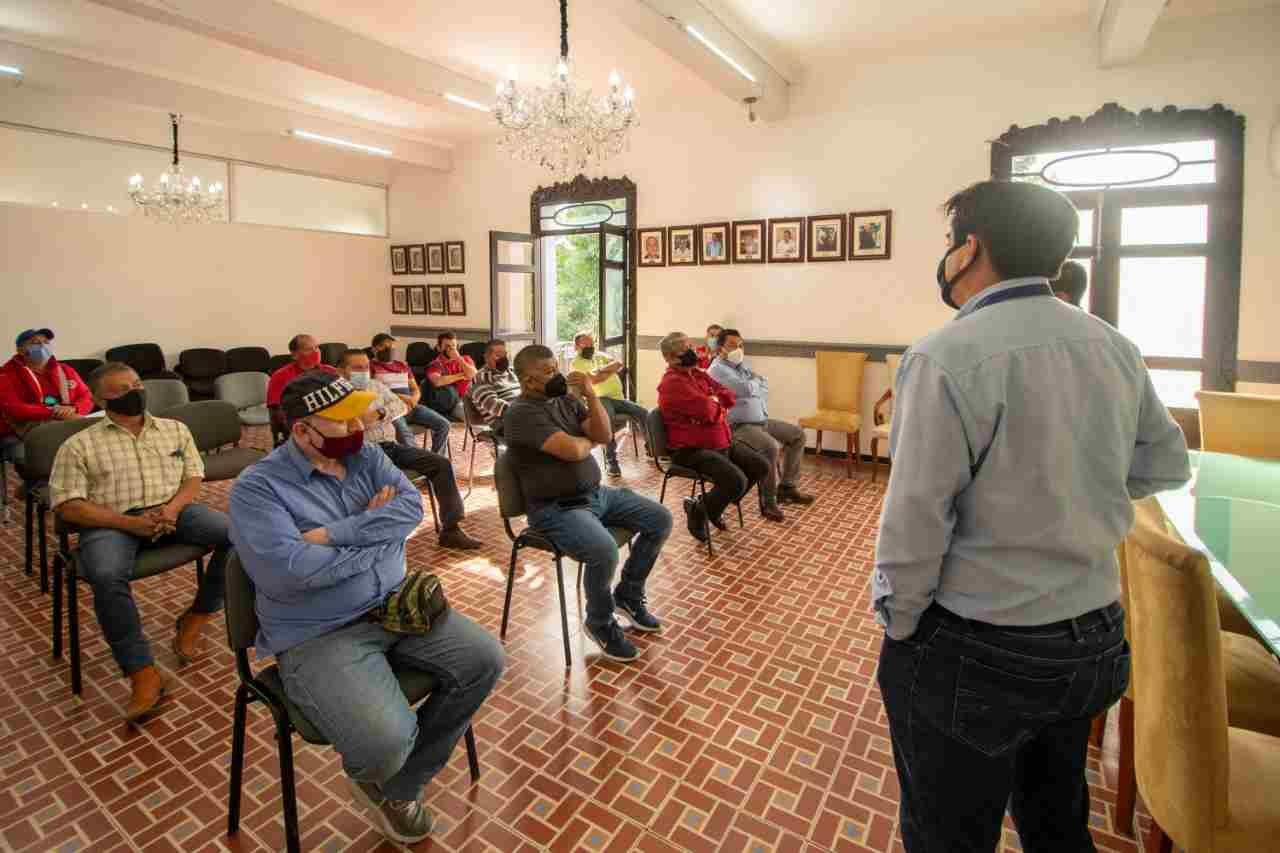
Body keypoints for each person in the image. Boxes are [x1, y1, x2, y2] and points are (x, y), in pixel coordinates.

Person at [874, 180, 1191, 852]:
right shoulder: (1113, 345)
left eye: (951, 242)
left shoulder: (945, 355)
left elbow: (914, 522)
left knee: (948, 833)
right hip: (1094, 638)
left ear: (972, 247)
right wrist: (1081, 490)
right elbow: (1166, 465)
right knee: (1057, 819)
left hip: (979, 645)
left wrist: (900, 625)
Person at [229, 372, 503, 844]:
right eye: (341, 420)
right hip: (321, 631)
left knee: (485, 660)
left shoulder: (367, 455)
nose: (358, 425)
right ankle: (382, 771)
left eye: (358, 412)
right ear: (302, 431)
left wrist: (338, 534)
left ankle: (400, 788)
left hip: (398, 606)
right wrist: (379, 534)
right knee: (382, 745)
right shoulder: (258, 490)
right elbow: (290, 572)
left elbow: (410, 512)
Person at [48, 363, 231, 723]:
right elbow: (69, 504)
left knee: (239, 535)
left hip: (172, 510)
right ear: (101, 399)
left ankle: (197, 615)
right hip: (111, 521)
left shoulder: (174, 430)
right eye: (122, 389)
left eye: (137, 384)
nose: (136, 392)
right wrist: (128, 523)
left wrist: (173, 509)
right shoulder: (79, 444)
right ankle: (141, 672)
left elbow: (194, 476)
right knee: (105, 573)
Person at [503, 345, 672, 663]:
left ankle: (629, 596)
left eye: (557, 366)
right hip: (555, 509)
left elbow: (604, 434)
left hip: (596, 495)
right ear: (528, 380)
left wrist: (591, 395)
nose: (559, 374)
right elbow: (573, 451)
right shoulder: (521, 413)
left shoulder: (566, 398)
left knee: (659, 518)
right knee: (604, 549)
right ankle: (600, 622)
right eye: (549, 371)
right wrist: (587, 442)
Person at [339, 350, 480, 550]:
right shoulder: (336, 394)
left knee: (440, 463)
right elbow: (349, 426)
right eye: (357, 368)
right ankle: (379, 540)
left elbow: (401, 406)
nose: (364, 371)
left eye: (366, 367)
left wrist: (380, 413)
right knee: (392, 484)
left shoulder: (375, 386)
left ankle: (451, 529)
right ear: (342, 371)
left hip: (390, 447)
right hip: (361, 453)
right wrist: (360, 422)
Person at [656, 332, 770, 543]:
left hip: (720, 440)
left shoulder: (698, 374)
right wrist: (716, 403)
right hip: (691, 450)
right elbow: (709, 410)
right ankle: (699, 513)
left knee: (760, 466)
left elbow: (728, 395)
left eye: (690, 345)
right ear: (670, 358)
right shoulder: (672, 384)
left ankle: (709, 505)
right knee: (736, 481)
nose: (692, 350)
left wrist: (714, 401)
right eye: (685, 348)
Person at [708, 329, 815, 520]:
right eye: (733, 345)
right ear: (720, 348)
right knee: (770, 447)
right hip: (739, 426)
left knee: (797, 435)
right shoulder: (717, 369)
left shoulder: (741, 366)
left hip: (761, 421)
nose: (738, 349)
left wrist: (754, 384)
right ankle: (769, 502)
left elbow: (763, 386)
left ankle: (787, 487)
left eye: (741, 345)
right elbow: (745, 388)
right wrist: (753, 383)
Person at [0, 327, 94, 461]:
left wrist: (74, 408)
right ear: (20, 350)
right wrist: (56, 412)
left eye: (46, 342)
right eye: (35, 343)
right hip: (24, 429)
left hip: (69, 419)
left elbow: (87, 396)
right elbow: (15, 409)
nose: (43, 346)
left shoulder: (65, 370)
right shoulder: (6, 375)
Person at [571, 332, 648, 478]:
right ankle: (612, 462)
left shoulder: (600, 355)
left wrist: (600, 371)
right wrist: (608, 370)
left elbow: (618, 364)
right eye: (585, 344)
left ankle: (651, 449)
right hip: (601, 399)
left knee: (643, 413)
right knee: (608, 422)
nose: (590, 347)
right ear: (577, 346)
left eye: (591, 343)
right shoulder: (576, 363)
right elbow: (593, 380)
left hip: (618, 399)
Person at [368, 333, 451, 455]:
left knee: (444, 425)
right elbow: (374, 391)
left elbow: (415, 388)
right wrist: (402, 398)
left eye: (392, 346)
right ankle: (419, 464)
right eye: (384, 347)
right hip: (392, 410)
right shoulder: (370, 367)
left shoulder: (402, 365)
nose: (389, 349)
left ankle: (436, 459)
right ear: (374, 349)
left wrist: (414, 399)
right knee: (406, 436)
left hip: (411, 406)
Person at [267, 334, 337, 435]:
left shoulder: (331, 371)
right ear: (295, 355)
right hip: (302, 426)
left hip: (333, 419)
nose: (316, 352)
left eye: (317, 347)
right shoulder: (280, 376)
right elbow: (277, 411)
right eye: (309, 349)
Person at [468, 339, 521, 432]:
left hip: (523, 414)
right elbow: (493, 405)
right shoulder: (482, 378)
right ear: (486, 357)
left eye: (504, 354)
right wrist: (525, 411)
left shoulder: (512, 371)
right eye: (498, 355)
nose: (503, 358)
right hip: (504, 423)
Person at [424, 333, 476, 419]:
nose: (451, 349)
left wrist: (459, 359)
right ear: (439, 348)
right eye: (447, 346)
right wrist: (463, 375)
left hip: (473, 398)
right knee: (471, 416)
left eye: (453, 346)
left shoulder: (465, 359)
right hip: (455, 403)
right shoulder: (435, 364)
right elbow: (438, 381)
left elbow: (474, 375)